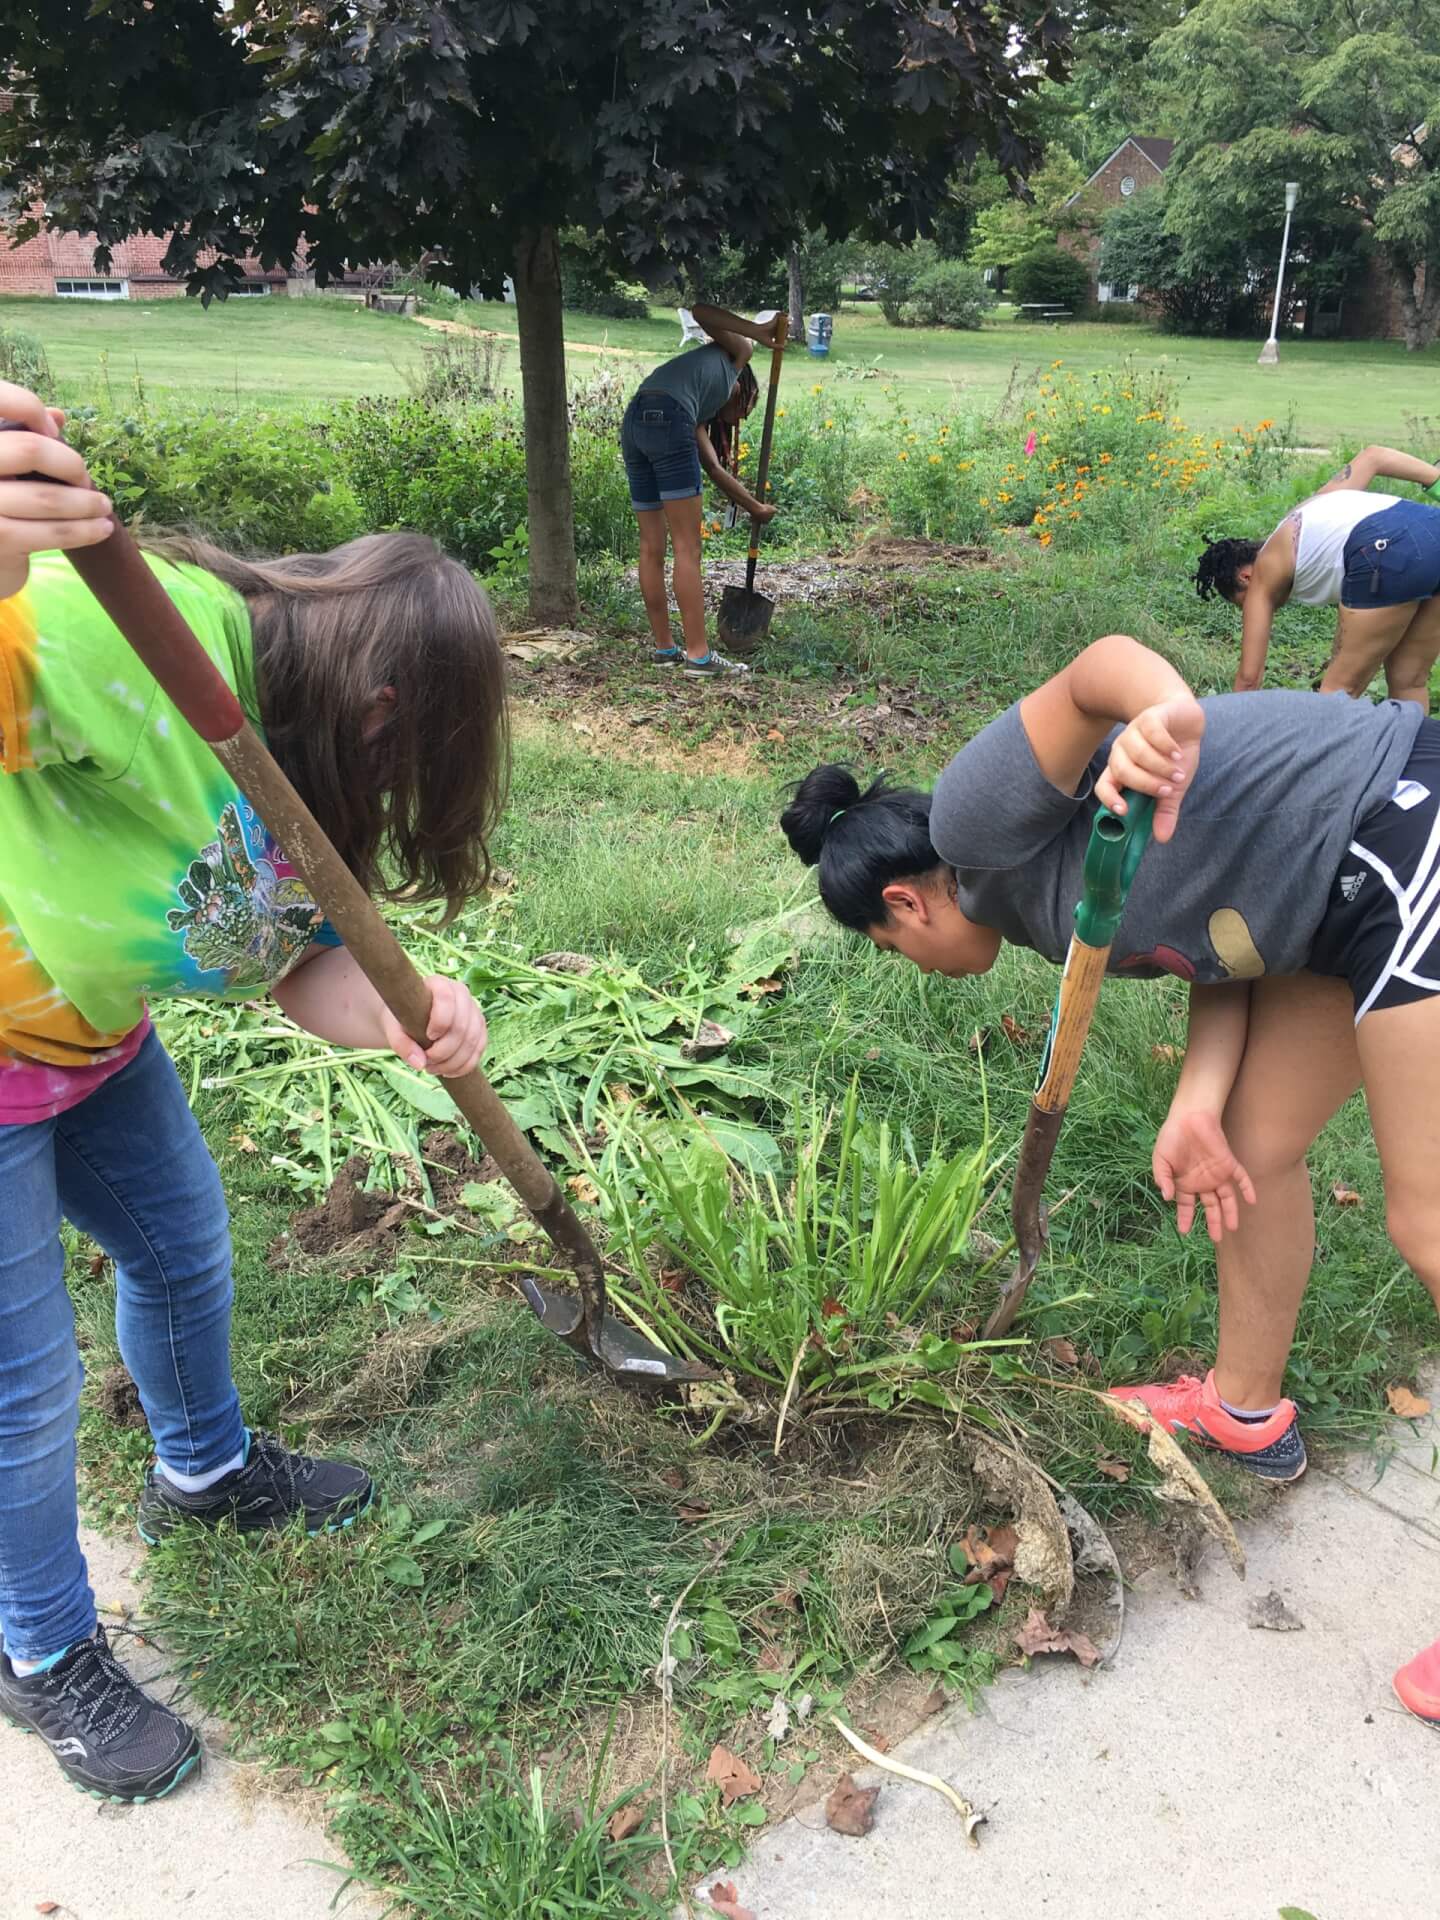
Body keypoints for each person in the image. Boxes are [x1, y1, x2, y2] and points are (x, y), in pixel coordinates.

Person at [782, 630, 1440, 1724]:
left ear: (905, 906)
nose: (915, 965)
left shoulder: (972, 827)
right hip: (1325, 915)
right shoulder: (1040, 914)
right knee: (1249, 1147)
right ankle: (1243, 1413)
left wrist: (1167, 720)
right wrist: (1193, 1101)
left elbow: (1099, 666)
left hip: (1402, 833)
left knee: (1426, 1217)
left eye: (895, 949)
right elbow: (1232, 941)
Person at [0, 383, 506, 1802]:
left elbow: (290, 962)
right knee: (26, 1391)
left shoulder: (281, 755)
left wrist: (411, 1021)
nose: (403, 788)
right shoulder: (132, 631)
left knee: (181, 1251)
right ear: (387, 706)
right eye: (420, 760)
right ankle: (40, 1651)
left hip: (83, 1040)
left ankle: (204, 1478)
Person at [1195, 444, 1440, 709]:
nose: (1253, 609)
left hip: (1383, 546)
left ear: (1245, 577)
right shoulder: (1315, 507)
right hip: (1433, 526)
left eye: (1242, 603)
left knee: (1336, 693)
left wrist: (1234, 736)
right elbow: (1374, 456)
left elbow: (1248, 680)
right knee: (1409, 680)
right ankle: (1421, 751)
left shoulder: (1263, 571)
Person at [620, 302, 783, 678]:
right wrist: (757, 334)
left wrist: (755, 508)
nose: (741, 417)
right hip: (666, 420)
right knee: (687, 547)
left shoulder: (692, 403)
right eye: (747, 408)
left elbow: (712, 467)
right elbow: (701, 311)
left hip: (636, 420)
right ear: (742, 389)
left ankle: (665, 649)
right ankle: (698, 656)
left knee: (651, 547)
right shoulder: (738, 356)